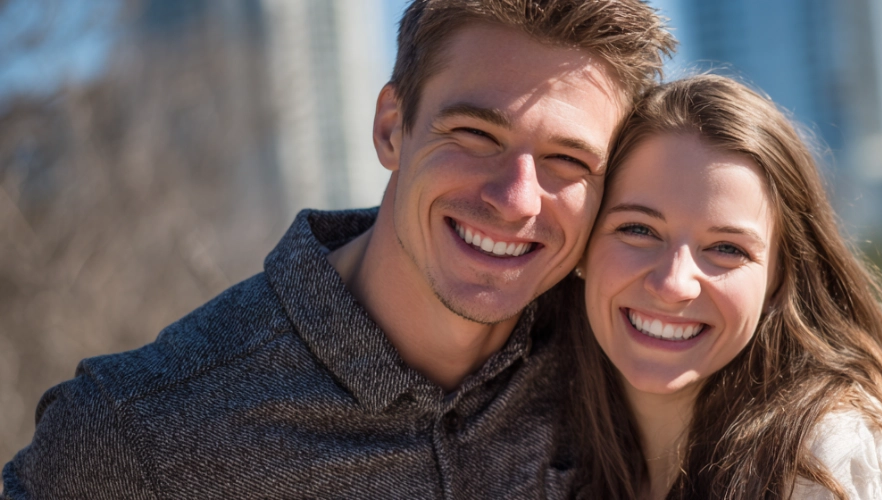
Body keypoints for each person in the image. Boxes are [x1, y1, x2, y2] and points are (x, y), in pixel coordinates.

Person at [2, 1, 673, 498]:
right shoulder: (144, 423)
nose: (517, 198)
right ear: (391, 128)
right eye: (475, 134)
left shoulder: (634, 363)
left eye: (567, 160)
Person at [554, 75, 882, 499]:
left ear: (780, 279)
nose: (673, 283)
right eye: (638, 229)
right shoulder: (549, 449)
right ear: (584, 246)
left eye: (726, 248)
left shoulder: (825, 464)